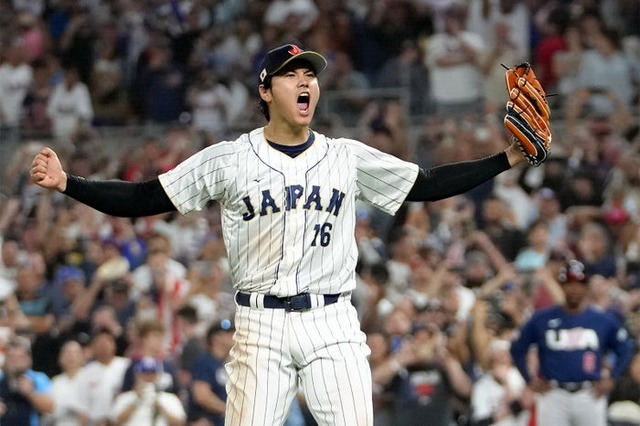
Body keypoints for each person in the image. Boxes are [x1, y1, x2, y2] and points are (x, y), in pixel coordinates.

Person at [31, 43, 532, 425]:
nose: (305, 81)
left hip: (332, 322)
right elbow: (145, 197)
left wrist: (507, 158)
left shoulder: (344, 156)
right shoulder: (229, 159)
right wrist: (69, 184)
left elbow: (426, 183)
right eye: (292, 74)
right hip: (259, 326)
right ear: (266, 91)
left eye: (310, 73)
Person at [509, 259, 635, 426]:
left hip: (589, 393)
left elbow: (626, 347)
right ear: (561, 285)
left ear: (586, 286)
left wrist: (612, 378)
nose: (575, 289)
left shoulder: (601, 319)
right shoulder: (542, 319)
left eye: (579, 283)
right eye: (569, 283)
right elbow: (517, 348)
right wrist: (529, 379)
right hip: (554, 394)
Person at [111, 356, 186, 426]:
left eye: (152, 374)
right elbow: (116, 422)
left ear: (158, 376)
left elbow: (180, 422)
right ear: (137, 375)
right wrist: (137, 400)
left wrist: (160, 406)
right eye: (145, 374)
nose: (149, 378)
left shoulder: (169, 398)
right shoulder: (125, 397)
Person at [0, 335, 54, 425]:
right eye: (11, 357)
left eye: (19, 357)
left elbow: (50, 407)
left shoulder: (38, 378)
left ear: (28, 359)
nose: (15, 361)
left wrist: (30, 394)